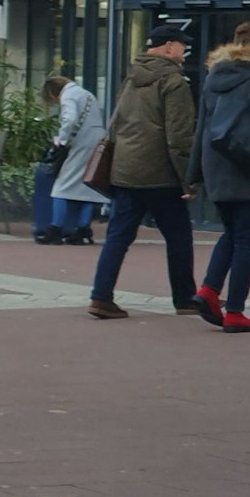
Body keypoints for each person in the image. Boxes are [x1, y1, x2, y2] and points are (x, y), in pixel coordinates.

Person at [86, 25, 199, 320]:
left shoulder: (131, 77)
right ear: (169, 46)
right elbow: (179, 135)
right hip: (160, 174)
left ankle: (101, 296)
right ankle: (185, 297)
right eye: (182, 46)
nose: (185, 52)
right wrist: (187, 178)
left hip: (126, 170)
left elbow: (120, 123)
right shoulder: (174, 81)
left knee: (118, 237)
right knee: (178, 237)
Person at [187, 28, 250, 334]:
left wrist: (193, 175)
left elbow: (201, 128)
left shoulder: (213, 79)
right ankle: (235, 312)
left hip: (217, 166)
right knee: (246, 242)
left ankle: (209, 290)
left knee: (231, 233)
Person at [40, 76, 108, 245]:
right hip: (96, 140)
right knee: (87, 186)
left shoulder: (68, 96)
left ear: (52, 92)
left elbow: (69, 119)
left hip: (81, 142)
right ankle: (83, 229)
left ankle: (56, 229)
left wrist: (61, 141)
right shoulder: (87, 94)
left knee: (61, 187)